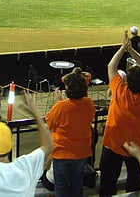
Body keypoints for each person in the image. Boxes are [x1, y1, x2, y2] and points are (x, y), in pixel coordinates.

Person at [99, 31, 140, 197]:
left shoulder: (120, 91)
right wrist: (131, 51)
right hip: (137, 147)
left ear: (127, 82)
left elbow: (111, 66)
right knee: (135, 186)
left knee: (107, 184)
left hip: (114, 144)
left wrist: (124, 48)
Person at [45, 67, 95, 196]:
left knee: (61, 187)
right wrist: (75, 76)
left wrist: (59, 102)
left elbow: (49, 123)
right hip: (81, 153)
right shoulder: (89, 103)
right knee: (77, 184)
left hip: (62, 154)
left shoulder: (60, 107)